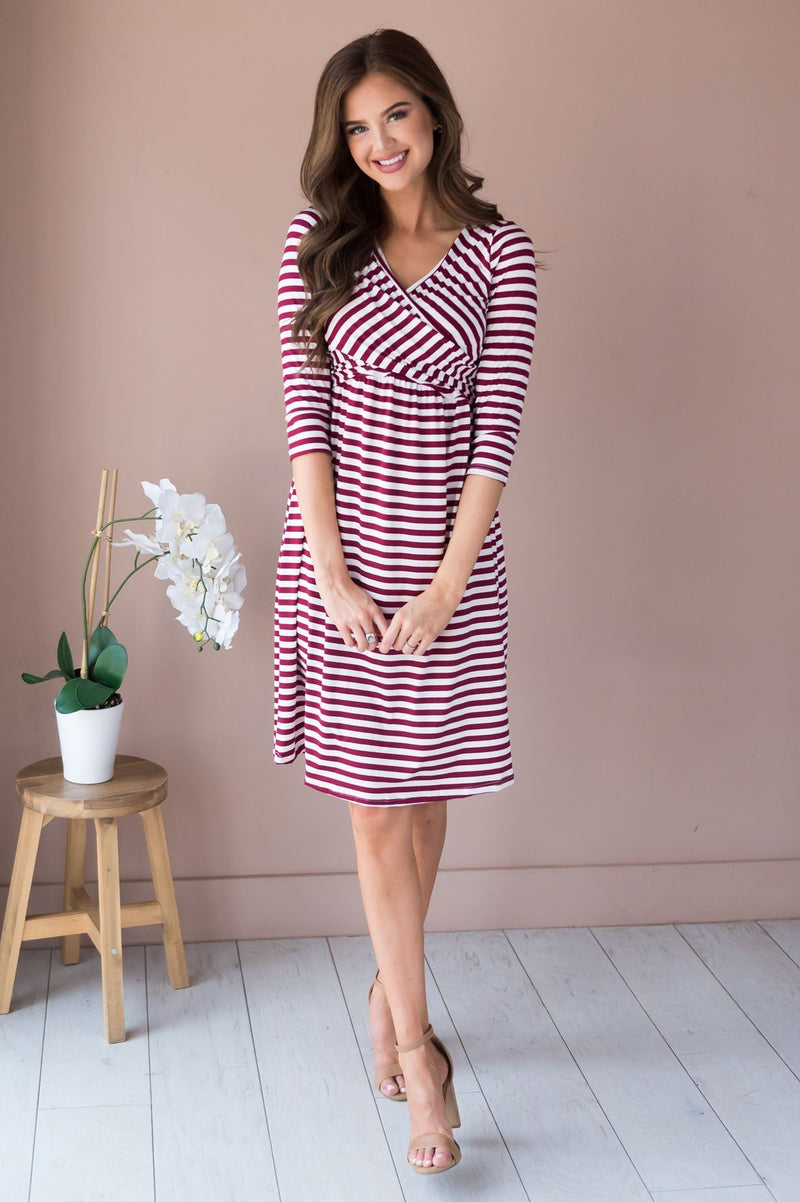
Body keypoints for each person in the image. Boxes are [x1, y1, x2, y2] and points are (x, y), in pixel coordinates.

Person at [273, 27, 539, 1176]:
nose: (378, 141)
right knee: (375, 809)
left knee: (423, 798)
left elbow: (496, 431)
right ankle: (423, 1057)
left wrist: (445, 582)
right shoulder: (313, 244)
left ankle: (389, 990)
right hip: (340, 562)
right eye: (355, 126)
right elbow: (305, 417)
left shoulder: (501, 252)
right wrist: (332, 572)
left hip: (450, 565)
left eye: (394, 114)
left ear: (432, 112)